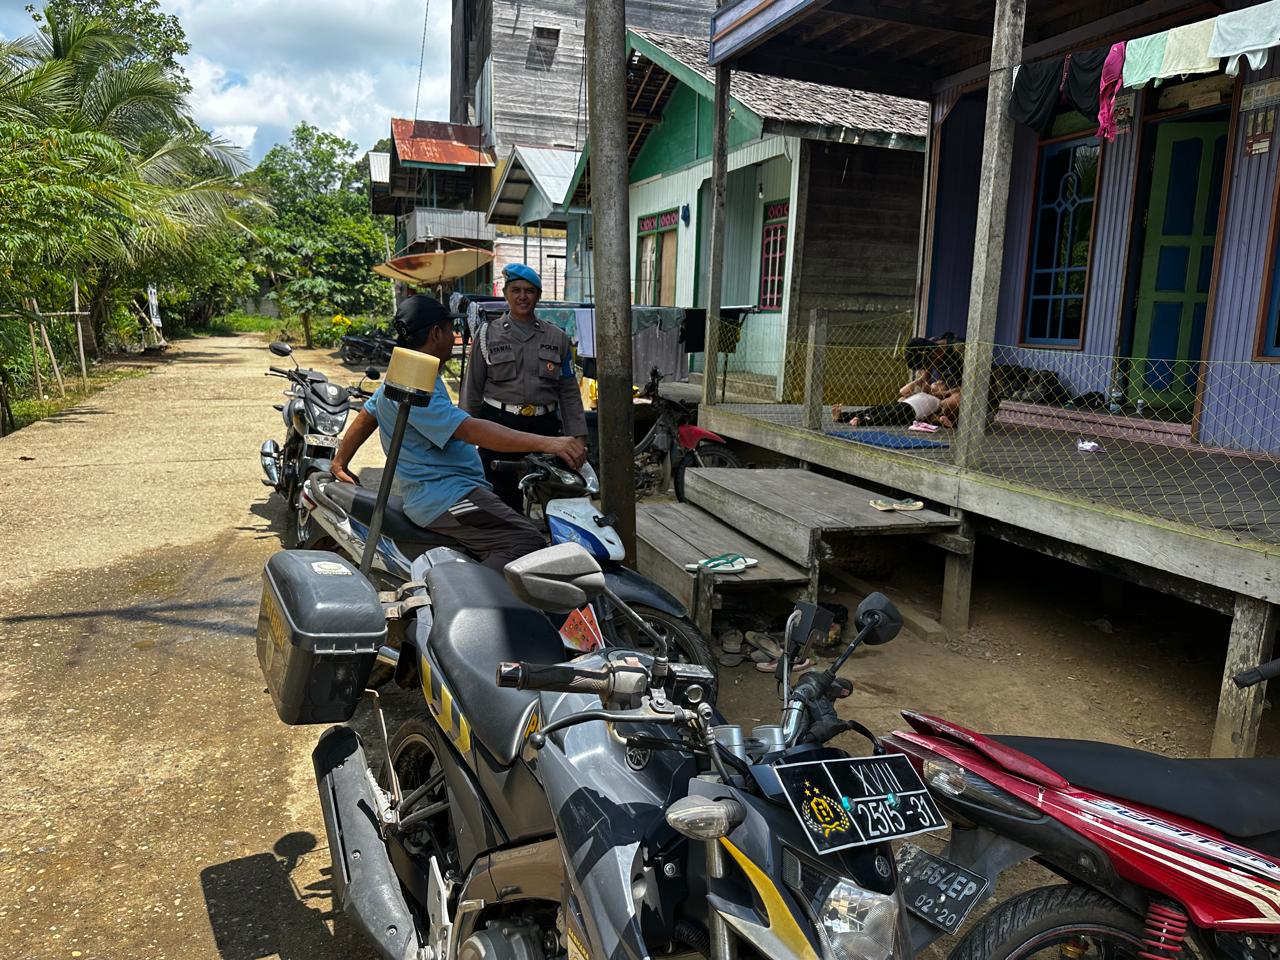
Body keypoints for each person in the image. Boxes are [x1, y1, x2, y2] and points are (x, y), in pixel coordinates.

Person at [331, 295, 586, 570]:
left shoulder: (409, 373)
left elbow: (368, 414)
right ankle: (466, 595)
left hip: (450, 491)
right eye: (450, 330)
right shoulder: (415, 384)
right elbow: (469, 429)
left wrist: (340, 461)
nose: (454, 337)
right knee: (526, 541)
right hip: (446, 496)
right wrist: (551, 444)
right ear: (435, 333)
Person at [461, 264, 588, 512]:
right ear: (505, 294)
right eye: (516, 290)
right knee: (503, 500)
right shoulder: (487, 335)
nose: (522, 296)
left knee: (555, 498)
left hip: (544, 426)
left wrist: (579, 437)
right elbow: (472, 390)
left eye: (529, 291)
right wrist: (465, 440)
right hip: (499, 425)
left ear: (538, 295)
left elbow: (569, 392)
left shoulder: (557, 337)